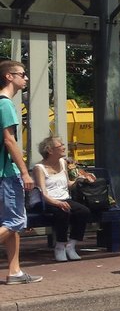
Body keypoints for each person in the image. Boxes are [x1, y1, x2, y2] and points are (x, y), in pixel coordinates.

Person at [0, 59, 41, 284]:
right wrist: (25, 172)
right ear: (9, 77)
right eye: (22, 74)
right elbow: (10, 141)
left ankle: (14, 271)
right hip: (6, 173)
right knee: (16, 222)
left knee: (9, 223)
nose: (25, 78)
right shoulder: (5, 104)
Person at [31, 136, 95, 262]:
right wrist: (58, 203)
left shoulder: (63, 163)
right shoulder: (39, 168)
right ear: (50, 150)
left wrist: (80, 180)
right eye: (61, 145)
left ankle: (71, 246)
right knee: (62, 211)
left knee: (83, 211)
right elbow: (43, 193)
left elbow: (68, 185)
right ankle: (60, 246)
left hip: (64, 198)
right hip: (46, 201)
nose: (64, 147)